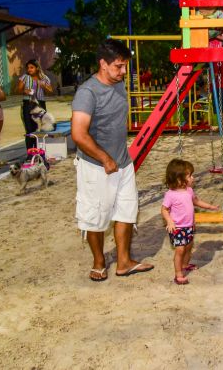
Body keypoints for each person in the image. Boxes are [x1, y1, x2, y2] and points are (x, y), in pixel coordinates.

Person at [71, 39, 154, 282]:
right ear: (103, 64)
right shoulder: (87, 93)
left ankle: (124, 261)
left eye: (124, 66)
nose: (124, 71)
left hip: (123, 162)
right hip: (96, 166)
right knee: (95, 216)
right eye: (118, 66)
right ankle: (99, 262)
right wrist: (104, 158)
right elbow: (78, 134)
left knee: (127, 211)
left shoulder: (119, 85)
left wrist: (118, 157)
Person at [160, 159, 220, 285]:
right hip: (177, 228)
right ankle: (178, 274)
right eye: (190, 175)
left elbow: (196, 201)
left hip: (189, 226)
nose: (193, 178)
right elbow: (164, 209)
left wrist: (210, 207)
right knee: (180, 250)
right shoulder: (170, 195)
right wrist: (169, 221)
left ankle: (185, 264)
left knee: (188, 247)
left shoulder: (189, 190)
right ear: (179, 179)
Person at [17, 59, 53, 151]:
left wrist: (44, 86)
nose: (29, 69)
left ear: (37, 68)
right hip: (28, 104)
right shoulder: (25, 77)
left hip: (40, 105)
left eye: (31, 67)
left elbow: (51, 91)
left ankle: (40, 151)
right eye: (28, 68)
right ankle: (30, 152)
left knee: (40, 129)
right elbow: (18, 89)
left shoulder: (44, 78)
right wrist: (25, 91)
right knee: (29, 130)